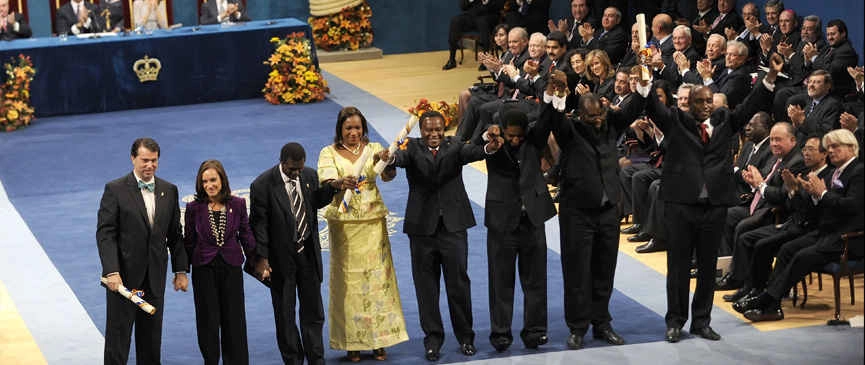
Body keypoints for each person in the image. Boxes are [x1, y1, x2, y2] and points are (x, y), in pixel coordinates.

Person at [633, 53, 783, 343]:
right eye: (697, 102)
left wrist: (771, 78)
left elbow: (753, 102)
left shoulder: (726, 121)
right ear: (688, 104)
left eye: (707, 102)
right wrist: (645, 80)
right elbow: (651, 105)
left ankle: (701, 321)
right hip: (680, 206)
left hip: (714, 207)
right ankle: (675, 321)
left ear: (713, 103)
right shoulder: (676, 120)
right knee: (677, 267)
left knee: (706, 266)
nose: (703, 106)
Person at [378, 111, 502, 361]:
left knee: (459, 286)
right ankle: (433, 340)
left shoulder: (455, 145)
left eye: (437, 130)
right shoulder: (411, 147)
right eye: (428, 131)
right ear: (420, 132)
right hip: (421, 230)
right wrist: (388, 159)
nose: (433, 135)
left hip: (453, 228)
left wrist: (488, 146)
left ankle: (466, 338)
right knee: (427, 289)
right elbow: (398, 159)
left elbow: (475, 152)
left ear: (444, 130)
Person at [542, 70, 642, 350]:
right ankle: (577, 327)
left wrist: (646, 79)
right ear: (579, 116)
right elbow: (553, 119)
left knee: (604, 269)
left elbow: (635, 106)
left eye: (599, 115)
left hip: (609, 210)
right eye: (591, 117)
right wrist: (556, 94)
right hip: (577, 213)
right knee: (576, 271)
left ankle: (602, 323)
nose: (597, 121)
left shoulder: (610, 124)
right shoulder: (570, 131)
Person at [316, 107, 408, 362]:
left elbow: (387, 177)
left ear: (363, 129)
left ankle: (380, 340)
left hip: (373, 223)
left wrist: (388, 161)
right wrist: (339, 183)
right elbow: (326, 182)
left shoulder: (374, 147)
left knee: (378, 280)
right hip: (344, 225)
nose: (354, 133)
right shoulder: (328, 152)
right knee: (349, 283)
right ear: (340, 130)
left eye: (357, 128)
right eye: (348, 128)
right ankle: (352, 343)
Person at [249, 142, 343, 365]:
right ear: (282, 163)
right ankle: (293, 360)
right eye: (292, 169)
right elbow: (259, 225)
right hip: (281, 260)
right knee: (285, 315)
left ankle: (316, 359)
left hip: (308, 255)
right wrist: (262, 259)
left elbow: (315, 201)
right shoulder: (262, 185)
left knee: (313, 312)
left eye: (300, 168)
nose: (297, 173)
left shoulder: (308, 175)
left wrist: (334, 187)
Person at [97, 137, 189, 364]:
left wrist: (180, 270)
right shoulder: (115, 189)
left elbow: (176, 235)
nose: (150, 165)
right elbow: (106, 234)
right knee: (119, 338)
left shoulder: (169, 190)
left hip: (154, 277)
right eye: (145, 160)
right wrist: (111, 270)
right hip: (124, 280)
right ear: (133, 158)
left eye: (154, 161)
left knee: (151, 339)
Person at [480, 108, 556, 352]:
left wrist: (552, 98)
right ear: (501, 130)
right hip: (502, 222)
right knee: (501, 281)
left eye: (519, 136)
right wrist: (487, 138)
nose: (515, 140)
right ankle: (500, 334)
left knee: (535, 280)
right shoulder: (493, 143)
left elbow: (547, 118)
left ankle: (535, 332)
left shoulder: (533, 140)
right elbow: (475, 143)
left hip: (532, 220)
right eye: (511, 135)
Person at [184, 160, 256, 365]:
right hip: (203, 269)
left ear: (222, 180)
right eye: (204, 181)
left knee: (234, 320)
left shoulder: (238, 204)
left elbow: (246, 235)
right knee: (208, 320)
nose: (209, 185)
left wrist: (259, 260)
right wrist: (182, 271)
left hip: (231, 267)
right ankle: (211, 361)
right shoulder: (193, 208)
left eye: (213, 180)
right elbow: (188, 241)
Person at [442, 0, 503, 70]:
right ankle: (452, 60)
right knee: (455, 21)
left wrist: (487, 2)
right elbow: (463, 6)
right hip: (472, 16)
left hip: (489, 15)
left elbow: (500, 5)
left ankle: (486, 61)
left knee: (482, 22)